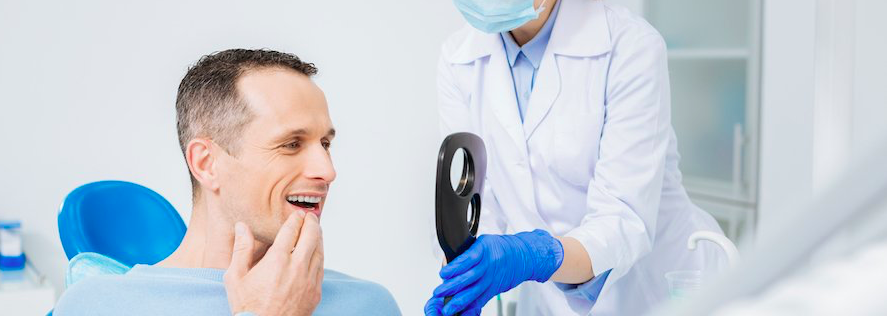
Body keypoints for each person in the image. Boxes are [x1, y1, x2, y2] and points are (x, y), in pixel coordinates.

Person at [426, 0, 728, 315]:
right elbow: (475, 204)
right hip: (549, 300)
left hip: (658, 293)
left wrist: (532, 256)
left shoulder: (630, 45)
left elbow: (620, 222)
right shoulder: (459, 57)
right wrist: (465, 278)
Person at [53, 49, 401, 316]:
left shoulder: (369, 304)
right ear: (207, 163)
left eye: (325, 144)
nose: (327, 170)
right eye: (292, 144)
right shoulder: (98, 305)